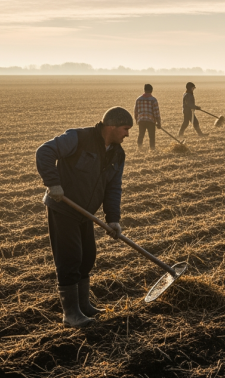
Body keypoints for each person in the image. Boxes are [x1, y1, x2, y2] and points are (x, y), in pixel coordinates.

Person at [35, 107, 133, 327]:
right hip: (64, 208)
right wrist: (53, 183)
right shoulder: (78, 138)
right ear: (112, 126)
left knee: (87, 257)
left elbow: (113, 187)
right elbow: (44, 152)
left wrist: (113, 219)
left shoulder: (118, 153)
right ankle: (71, 314)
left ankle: (84, 306)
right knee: (70, 259)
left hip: (86, 212)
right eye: (125, 129)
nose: (127, 134)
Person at [133, 84, 161, 149]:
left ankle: (139, 148)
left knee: (141, 135)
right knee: (151, 136)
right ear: (151, 90)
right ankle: (152, 149)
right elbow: (156, 112)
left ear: (144, 90)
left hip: (141, 120)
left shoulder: (138, 99)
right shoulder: (153, 100)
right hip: (150, 121)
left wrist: (137, 120)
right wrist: (158, 122)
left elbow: (136, 111)